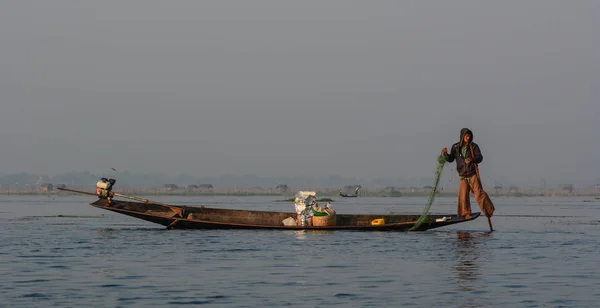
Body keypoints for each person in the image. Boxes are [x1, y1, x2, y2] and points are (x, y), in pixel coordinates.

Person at [442, 128, 495, 219]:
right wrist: (446, 154)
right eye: (466, 136)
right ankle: (465, 214)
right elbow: (450, 159)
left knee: (479, 194)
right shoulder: (455, 147)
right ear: (462, 136)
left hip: (472, 174)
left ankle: (489, 211)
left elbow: (480, 158)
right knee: (463, 196)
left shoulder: (473, 146)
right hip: (462, 175)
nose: (468, 137)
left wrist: (472, 159)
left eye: (469, 136)